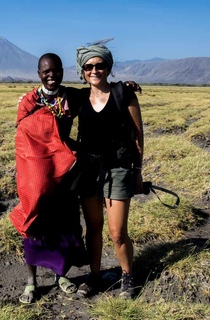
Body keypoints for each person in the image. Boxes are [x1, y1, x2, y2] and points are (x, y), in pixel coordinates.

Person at [10, 53, 88, 304]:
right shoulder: (29, 101)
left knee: (63, 224)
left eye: (55, 70)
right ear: (39, 74)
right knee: (34, 224)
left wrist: (123, 86)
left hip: (63, 173)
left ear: (62, 71)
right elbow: (24, 139)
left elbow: (98, 93)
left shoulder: (71, 97)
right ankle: (31, 282)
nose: (51, 75)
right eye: (46, 71)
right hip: (36, 175)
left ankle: (60, 275)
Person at [74, 39, 144, 299]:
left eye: (100, 65)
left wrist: (137, 170)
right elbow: (51, 98)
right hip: (88, 171)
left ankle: (127, 276)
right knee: (93, 227)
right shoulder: (79, 97)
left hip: (118, 168)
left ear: (109, 67)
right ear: (82, 70)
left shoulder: (123, 93)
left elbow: (138, 134)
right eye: (89, 66)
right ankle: (94, 277)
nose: (94, 70)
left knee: (117, 232)